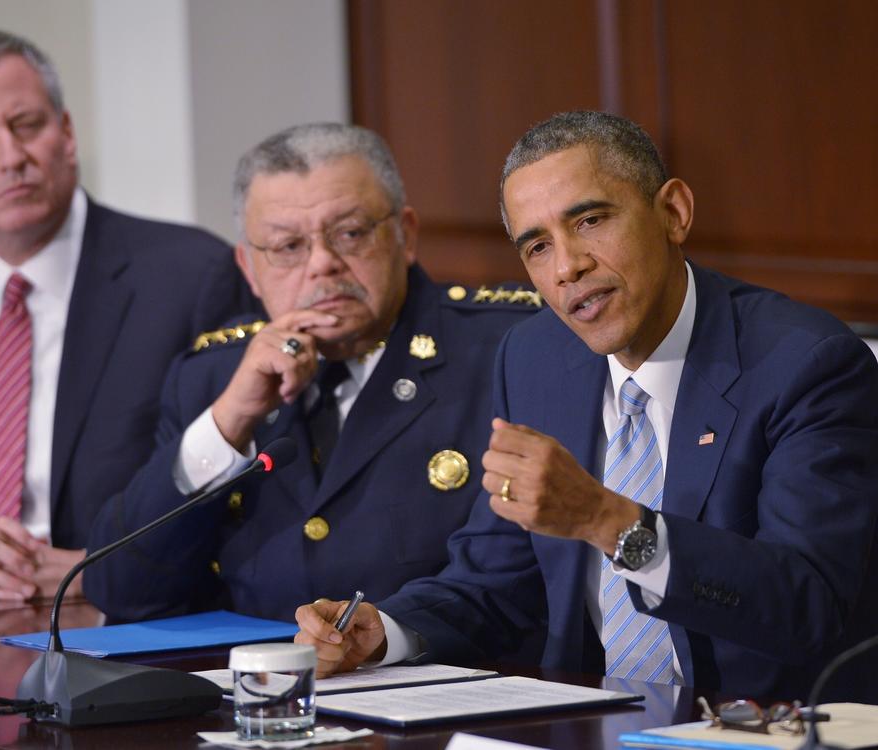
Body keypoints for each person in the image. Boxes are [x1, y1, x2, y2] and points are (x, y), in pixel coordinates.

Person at [294, 111, 878, 701]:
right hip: (585, 720)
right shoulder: (534, 357)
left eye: (591, 220)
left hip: (758, 724)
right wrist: (385, 631)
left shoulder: (806, 364)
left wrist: (608, 521)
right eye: (538, 246)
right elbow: (496, 577)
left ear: (673, 213)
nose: (567, 266)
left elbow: (808, 604)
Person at [82, 123, 541, 623]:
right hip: (257, 693)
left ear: (405, 236)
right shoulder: (215, 376)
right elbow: (120, 589)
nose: (323, 263)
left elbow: (519, 588)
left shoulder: (506, 352)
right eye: (287, 247)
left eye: (349, 234)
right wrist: (229, 423)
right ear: (248, 267)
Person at [0, 30, 253, 603]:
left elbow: (232, 487)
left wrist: (99, 569)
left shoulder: (190, 278)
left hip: (122, 620)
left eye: (27, 125)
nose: (12, 157)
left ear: (68, 134)